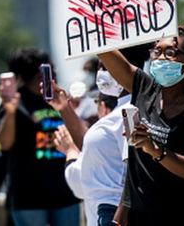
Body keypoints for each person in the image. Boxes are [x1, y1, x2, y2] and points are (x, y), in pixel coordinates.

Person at [78, 0, 184, 225]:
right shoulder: (144, 88)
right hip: (138, 217)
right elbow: (103, 47)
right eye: (157, 51)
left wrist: (156, 149)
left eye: (171, 53)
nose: (160, 58)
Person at [0, 48, 80, 226]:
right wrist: (10, 113)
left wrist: (68, 108)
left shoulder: (57, 97)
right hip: (29, 196)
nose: (54, 72)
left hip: (65, 192)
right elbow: (4, 143)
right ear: (38, 72)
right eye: (50, 68)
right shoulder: (15, 101)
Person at [50, 69, 131, 226]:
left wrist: (71, 152)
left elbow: (78, 183)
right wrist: (64, 108)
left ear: (103, 106)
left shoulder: (117, 121)